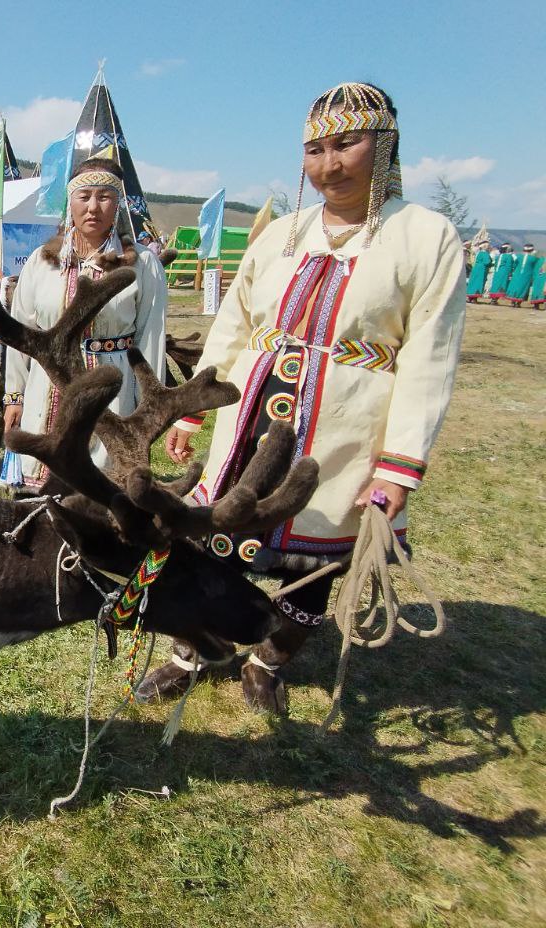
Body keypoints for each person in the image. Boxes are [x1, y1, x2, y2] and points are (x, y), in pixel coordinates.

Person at [148, 82, 466, 714]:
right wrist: (192, 404)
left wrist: (398, 466)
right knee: (214, 542)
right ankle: (193, 652)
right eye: (315, 149)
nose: (329, 164)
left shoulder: (426, 237)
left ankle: (270, 658)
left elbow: (430, 361)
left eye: (346, 144)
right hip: (250, 424)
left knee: (310, 566)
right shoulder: (280, 236)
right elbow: (235, 327)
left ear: (385, 145)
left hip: (345, 434)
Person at [3, 157, 167, 489]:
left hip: (113, 386)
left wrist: (149, 408)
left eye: (104, 196)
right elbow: (22, 333)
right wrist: (14, 397)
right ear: (71, 201)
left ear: (118, 203)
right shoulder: (42, 261)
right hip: (47, 385)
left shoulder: (144, 264)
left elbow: (152, 337)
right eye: (84, 196)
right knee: (43, 489)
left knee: (103, 492)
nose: (93, 207)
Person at [505, 243, 539, 308]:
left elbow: (515, 265)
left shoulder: (519, 257)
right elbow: (536, 268)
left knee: (514, 286)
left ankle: (513, 302)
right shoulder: (534, 259)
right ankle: (518, 303)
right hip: (527, 275)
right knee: (523, 287)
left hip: (517, 274)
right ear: (532, 250)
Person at [465, 237, 492, 303]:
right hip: (481, 270)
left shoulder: (479, 253)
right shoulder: (485, 254)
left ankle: (470, 298)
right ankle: (474, 299)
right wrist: (492, 263)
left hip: (476, 269)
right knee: (478, 283)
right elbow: (487, 262)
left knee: (473, 282)